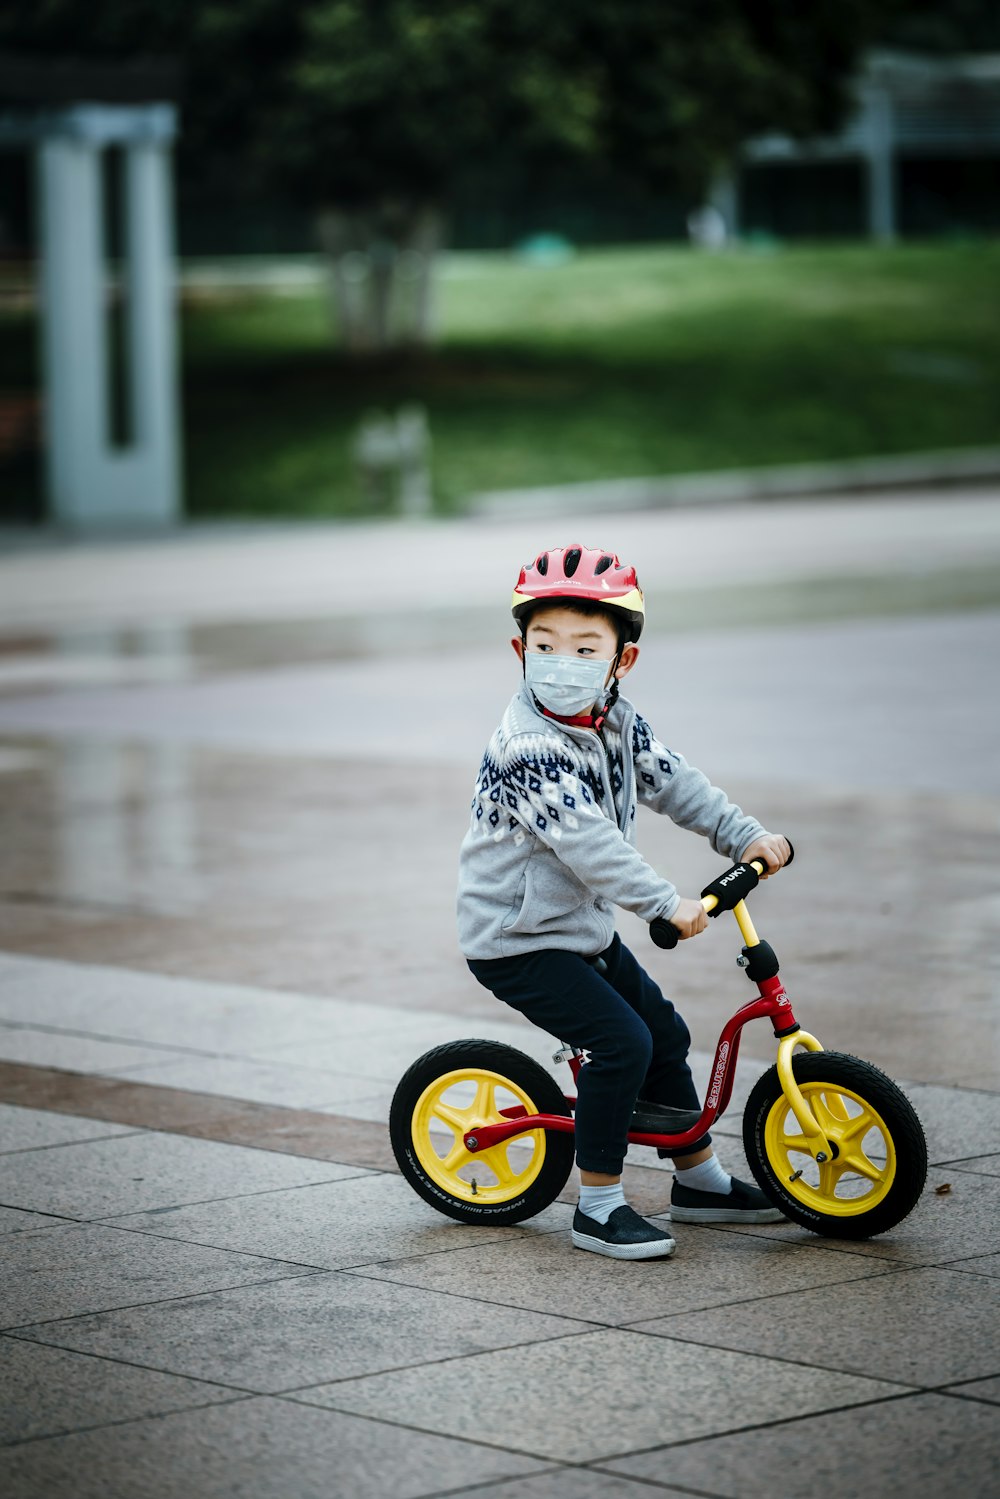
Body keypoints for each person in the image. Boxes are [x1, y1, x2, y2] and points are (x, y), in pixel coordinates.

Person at [457, 543, 792, 1260]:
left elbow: (677, 782)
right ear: (519, 648)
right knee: (621, 1042)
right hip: (517, 942)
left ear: (621, 661)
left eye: (585, 647)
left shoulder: (616, 720)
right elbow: (589, 845)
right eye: (544, 645)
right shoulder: (527, 747)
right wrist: (663, 902)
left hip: (578, 930)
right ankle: (600, 1205)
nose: (561, 660)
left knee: (665, 1036)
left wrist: (746, 835)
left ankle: (699, 1182)